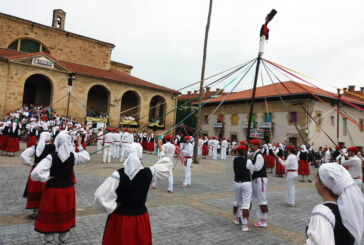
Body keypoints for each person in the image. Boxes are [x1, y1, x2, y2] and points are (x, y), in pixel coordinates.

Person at [93, 140, 172, 245]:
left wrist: (112, 206)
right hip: (140, 218)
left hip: (120, 218)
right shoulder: (148, 173)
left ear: (126, 157)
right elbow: (166, 165)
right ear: (140, 157)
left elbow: (99, 196)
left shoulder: (118, 174)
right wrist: (161, 149)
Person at [31, 135, 90, 244]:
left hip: (53, 189)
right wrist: (80, 145)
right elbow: (86, 156)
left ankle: (48, 241)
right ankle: (63, 240)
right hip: (68, 189)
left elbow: (35, 173)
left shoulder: (51, 157)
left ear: (57, 144)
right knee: (65, 212)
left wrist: (46, 177)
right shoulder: (73, 156)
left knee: (51, 212)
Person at [305, 164, 363, 245]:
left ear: (323, 184)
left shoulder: (323, 212)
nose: (315, 182)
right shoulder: (348, 208)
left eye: (316, 178)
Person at [20, 132, 56, 219]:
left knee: (36, 190)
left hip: (36, 171)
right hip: (49, 171)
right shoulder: (54, 147)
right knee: (48, 191)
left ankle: (35, 212)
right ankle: (48, 211)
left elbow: (23, 155)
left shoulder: (35, 147)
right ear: (49, 139)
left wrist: (30, 164)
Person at [232, 145, 254, 232]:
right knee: (246, 202)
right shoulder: (248, 161)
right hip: (246, 182)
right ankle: (244, 225)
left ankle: (237, 219)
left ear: (238, 152)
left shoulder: (234, 160)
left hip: (237, 182)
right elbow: (251, 172)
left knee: (237, 200)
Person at [249, 139, 268, 228]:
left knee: (261, 198)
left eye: (251, 145)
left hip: (260, 179)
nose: (250, 147)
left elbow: (257, 168)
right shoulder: (255, 154)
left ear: (256, 146)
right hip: (255, 179)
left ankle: (263, 221)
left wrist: (249, 166)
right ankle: (244, 215)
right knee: (251, 197)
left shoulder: (259, 155)